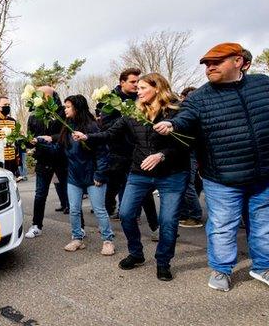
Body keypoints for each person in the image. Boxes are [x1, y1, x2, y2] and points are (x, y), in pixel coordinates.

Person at [154, 42, 269, 292]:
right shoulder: (199, 98)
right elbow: (185, 118)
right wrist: (173, 126)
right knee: (223, 226)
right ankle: (222, 269)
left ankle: (265, 267)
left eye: (216, 62)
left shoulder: (264, 84)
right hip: (223, 178)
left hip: (268, 174)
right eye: (206, 64)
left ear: (238, 61)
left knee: (266, 225)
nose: (209, 68)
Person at [76, 73, 190, 281]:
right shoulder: (133, 113)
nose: (138, 91)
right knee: (127, 214)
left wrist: (162, 155)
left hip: (172, 174)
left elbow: (185, 144)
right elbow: (111, 133)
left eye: (143, 88)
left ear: (157, 88)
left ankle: (163, 262)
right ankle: (136, 253)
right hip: (140, 172)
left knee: (168, 221)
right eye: (137, 88)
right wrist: (88, 137)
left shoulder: (176, 111)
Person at [96, 68, 159, 237]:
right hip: (117, 154)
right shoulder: (109, 102)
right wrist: (127, 119)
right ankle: (106, 223)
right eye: (132, 82)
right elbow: (106, 128)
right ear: (122, 82)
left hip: (138, 152)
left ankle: (155, 227)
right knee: (112, 189)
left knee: (144, 191)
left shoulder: (142, 98)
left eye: (138, 82)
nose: (136, 85)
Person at [61, 95, 114, 255]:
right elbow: (61, 149)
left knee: (99, 209)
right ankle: (77, 238)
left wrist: (100, 174)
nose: (65, 109)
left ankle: (108, 240)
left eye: (68, 106)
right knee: (74, 210)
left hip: (93, 176)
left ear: (77, 108)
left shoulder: (92, 127)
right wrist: (41, 143)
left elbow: (103, 152)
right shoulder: (66, 126)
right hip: (74, 176)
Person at [24, 86, 70, 238]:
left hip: (61, 158)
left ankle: (79, 227)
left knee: (70, 194)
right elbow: (30, 139)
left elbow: (68, 133)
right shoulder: (33, 116)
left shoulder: (63, 112)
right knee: (40, 195)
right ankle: (36, 225)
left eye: (40, 95)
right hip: (43, 159)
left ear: (49, 97)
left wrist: (53, 138)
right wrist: (28, 142)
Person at [177, 87, 203, 228]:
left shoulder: (191, 113)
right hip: (186, 151)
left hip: (189, 152)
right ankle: (185, 213)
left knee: (188, 185)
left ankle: (195, 215)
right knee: (186, 185)